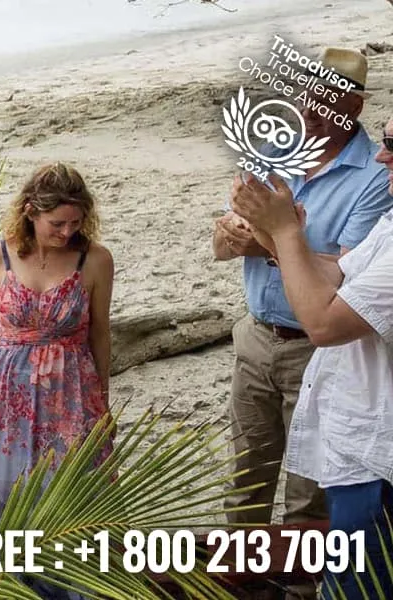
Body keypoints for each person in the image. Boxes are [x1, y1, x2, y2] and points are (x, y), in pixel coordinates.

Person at [210, 47, 390, 530]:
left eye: (324, 101)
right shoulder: (275, 151)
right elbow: (222, 243)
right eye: (306, 96)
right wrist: (235, 235)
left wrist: (270, 237)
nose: (309, 110)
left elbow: (349, 272)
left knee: (309, 482)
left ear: (354, 107)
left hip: (314, 345)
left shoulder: (376, 177)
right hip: (255, 334)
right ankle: (244, 574)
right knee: (245, 471)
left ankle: (299, 585)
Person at [231, 113, 393, 600]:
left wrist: (283, 235)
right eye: (385, 141)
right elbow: (341, 275)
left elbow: (324, 323)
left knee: (359, 585)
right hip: (360, 444)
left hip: (376, 454)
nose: (384, 156)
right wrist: (282, 238)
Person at [0, 164, 115, 598]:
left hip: (73, 393)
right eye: (56, 223)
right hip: (4, 394)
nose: (66, 232)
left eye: (75, 223)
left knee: (75, 493)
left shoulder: (94, 259)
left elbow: (100, 331)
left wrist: (103, 400)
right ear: (29, 212)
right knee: (10, 497)